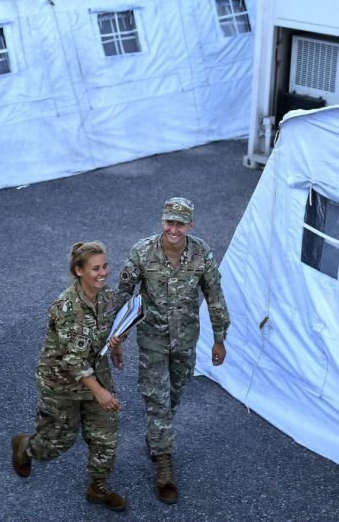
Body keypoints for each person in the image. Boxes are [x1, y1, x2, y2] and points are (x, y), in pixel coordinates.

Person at [112, 197, 229, 504]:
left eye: (180, 223)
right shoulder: (142, 252)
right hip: (152, 340)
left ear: (190, 225)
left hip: (186, 339)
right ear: (162, 222)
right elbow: (123, 297)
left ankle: (156, 439)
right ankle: (164, 464)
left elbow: (215, 295)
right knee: (157, 399)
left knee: (174, 393)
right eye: (169, 222)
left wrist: (220, 337)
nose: (174, 229)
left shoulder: (202, 254)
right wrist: (116, 339)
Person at [11, 242, 127, 512]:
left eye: (105, 266)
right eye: (95, 269)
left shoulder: (107, 296)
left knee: (105, 436)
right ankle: (25, 447)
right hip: (61, 384)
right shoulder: (66, 308)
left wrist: (117, 346)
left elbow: (110, 325)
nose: (103, 273)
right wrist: (100, 392)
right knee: (55, 444)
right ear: (78, 271)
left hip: (96, 374)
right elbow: (72, 361)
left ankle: (98, 487)